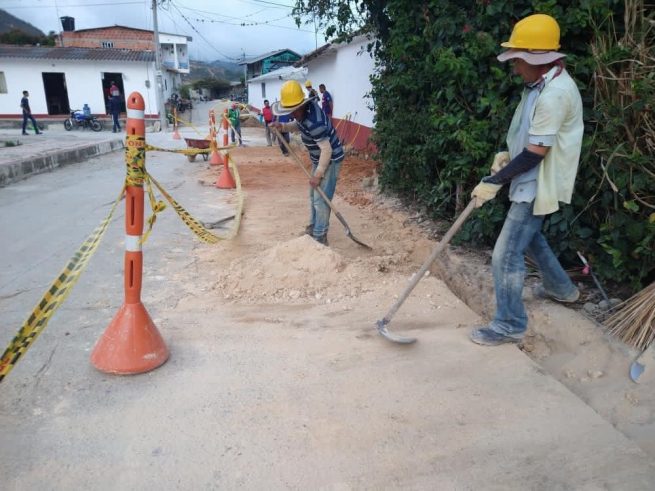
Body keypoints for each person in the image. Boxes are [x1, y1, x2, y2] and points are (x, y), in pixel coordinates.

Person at [468, 13, 584, 346]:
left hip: (538, 183)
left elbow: (536, 153)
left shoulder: (555, 94)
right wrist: (506, 155)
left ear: (538, 59)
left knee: (505, 253)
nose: (515, 67)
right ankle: (563, 290)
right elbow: (527, 138)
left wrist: (496, 180)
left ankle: (509, 324)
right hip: (528, 177)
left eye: (519, 60)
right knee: (530, 238)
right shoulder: (538, 85)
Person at [271, 80, 344, 246]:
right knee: (313, 196)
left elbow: (327, 150)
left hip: (330, 160)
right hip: (318, 159)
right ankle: (314, 227)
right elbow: (298, 126)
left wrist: (318, 175)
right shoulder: (303, 114)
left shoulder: (314, 122)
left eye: (292, 110)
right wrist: (282, 126)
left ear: (300, 106)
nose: (290, 113)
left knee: (321, 199)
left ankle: (320, 237)